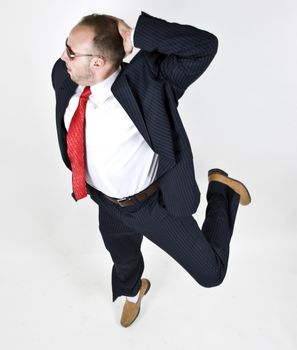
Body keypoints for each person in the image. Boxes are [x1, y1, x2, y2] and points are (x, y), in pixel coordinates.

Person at [51, 11, 251, 327]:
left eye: (71, 52)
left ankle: (222, 189)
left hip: (152, 206)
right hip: (107, 203)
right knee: (123, 259)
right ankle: (133, 292)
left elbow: (204, 46)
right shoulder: (65, 77)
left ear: (98, 62)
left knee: (211, 273)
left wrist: (137, 35)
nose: (63, 57)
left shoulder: (149, 84)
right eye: (65, 46)